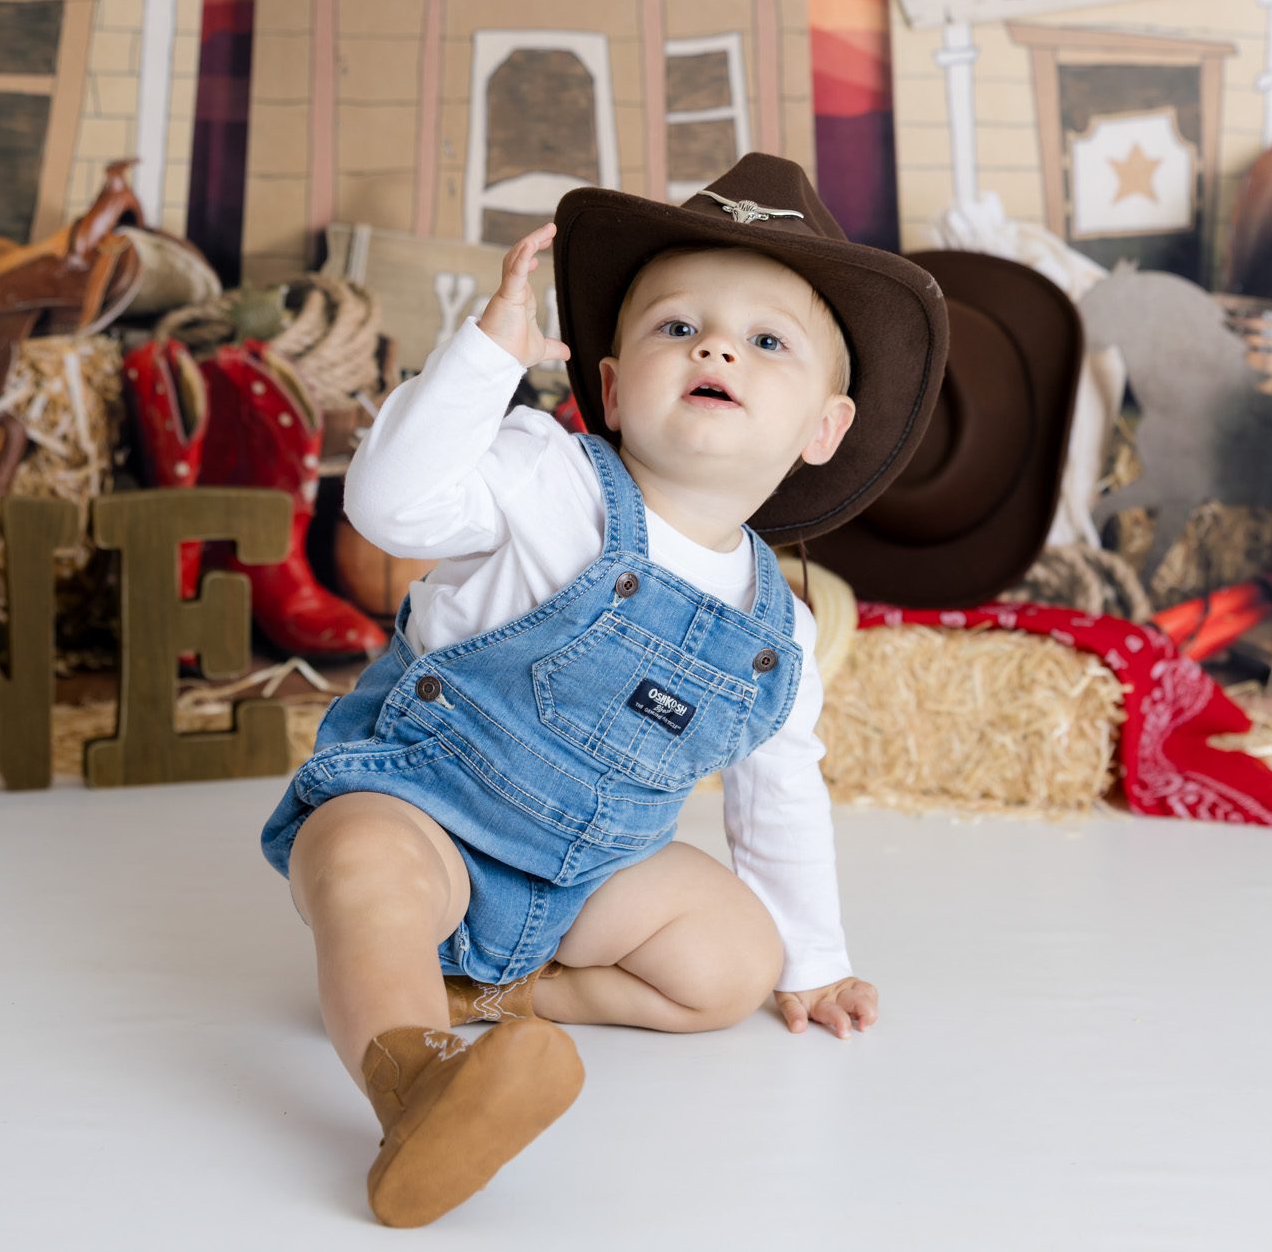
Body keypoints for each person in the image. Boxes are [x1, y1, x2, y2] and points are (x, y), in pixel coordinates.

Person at [257, 154, 946, 1227]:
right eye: (678, 327)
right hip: (424, 816)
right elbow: (390, 509)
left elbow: (780, 794)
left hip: (582, 884)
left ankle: (494, 1000)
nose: (715, 346)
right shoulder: (545, 477)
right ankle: (411, 1080)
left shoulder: (781, 634)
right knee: (355, 859)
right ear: (615, 387)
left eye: (767, 342)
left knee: (730, 961)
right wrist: (486, 359)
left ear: (821, 428)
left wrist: (811, 964)